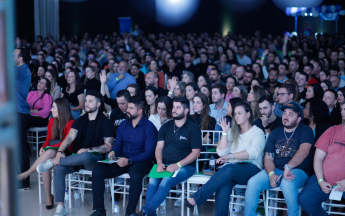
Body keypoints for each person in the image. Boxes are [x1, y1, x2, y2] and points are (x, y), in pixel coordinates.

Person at [36, 90, 115, 216]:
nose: (87, 104)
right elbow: (69, 137)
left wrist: (88, 150)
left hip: (95, 161)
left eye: (90, 101)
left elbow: (108, 146)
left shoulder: (106, 122)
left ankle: (52, 162)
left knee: (85, 155)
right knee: (59, 168)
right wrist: (60, 152)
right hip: (76, 159)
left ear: (99, 104)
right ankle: (61, 206)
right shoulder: (80, 120)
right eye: (86, 100)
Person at [186, 102, 265, 216]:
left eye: (239, 113)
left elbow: (253, 153)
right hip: (231, 171)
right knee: (224, 184)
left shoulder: (257, 132)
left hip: (252, 169)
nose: (236, 116)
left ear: (248, 114)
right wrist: (224, 132)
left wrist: (231, 156)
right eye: (235, 113)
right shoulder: (233, 132)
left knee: (229, 168)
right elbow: (221, 152)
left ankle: (197, 198)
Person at [91, 96, 158, 216]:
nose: (127, 110)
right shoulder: (123, 125)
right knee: (97, 171)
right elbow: (117, 146)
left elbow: (149, 153)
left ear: (139, 111)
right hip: (122, 160)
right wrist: (113, 153)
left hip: (141, 161)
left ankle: (130, 212)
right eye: (128, 107)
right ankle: (99, 210)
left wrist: (130, 161)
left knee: (136, 176)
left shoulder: (149, 127)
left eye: (131, 108)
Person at [244, 102, 314, 216]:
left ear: (299, 118)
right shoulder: (276, 132)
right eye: (285, 113)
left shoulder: (305, 130)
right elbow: (268, 158)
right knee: (252, 183)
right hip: (277, 170)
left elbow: (304, 151)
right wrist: (271, 173)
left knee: (287, 183)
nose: (286, 116)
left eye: (291, 114)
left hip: (299, 170)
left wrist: (288, 166)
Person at [135, 97, 201, 216]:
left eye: (178, 107)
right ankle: (150, 213)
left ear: (186, 110)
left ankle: (145, 211)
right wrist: (159, 162)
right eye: (174, 107)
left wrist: (177, 165)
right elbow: (159, 148)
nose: (174, 110)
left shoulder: (193, 129)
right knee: (152, 180)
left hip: (185, 166)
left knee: (166, 181)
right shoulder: (166, 126)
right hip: (164, 164)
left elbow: (196, 153)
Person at [18, 98, 74, 209]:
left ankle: (26, 174)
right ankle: (49, 198)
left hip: (66, 152)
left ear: (61, 109)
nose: (51, 110)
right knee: (44, 166)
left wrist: (48, 148)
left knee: (49, 154)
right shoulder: (52, 120)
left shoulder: (71, 122)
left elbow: (67, 143)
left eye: (53, 107)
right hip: (51, 151)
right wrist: (43, 147)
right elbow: (48, 138)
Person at [298, 103, 345, 216]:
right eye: (342, 109)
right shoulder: (332, 130)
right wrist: (320, 180)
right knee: (305, 200)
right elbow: (318, 158)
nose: (343, 111)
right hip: (325, 179)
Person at [14, 48, 32, 189]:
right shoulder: (22, 71)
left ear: (20, 58)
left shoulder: (21, 71)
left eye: (14, 55)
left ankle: (24, 181)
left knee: (21, 148)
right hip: (17, 112)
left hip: (20, 113)